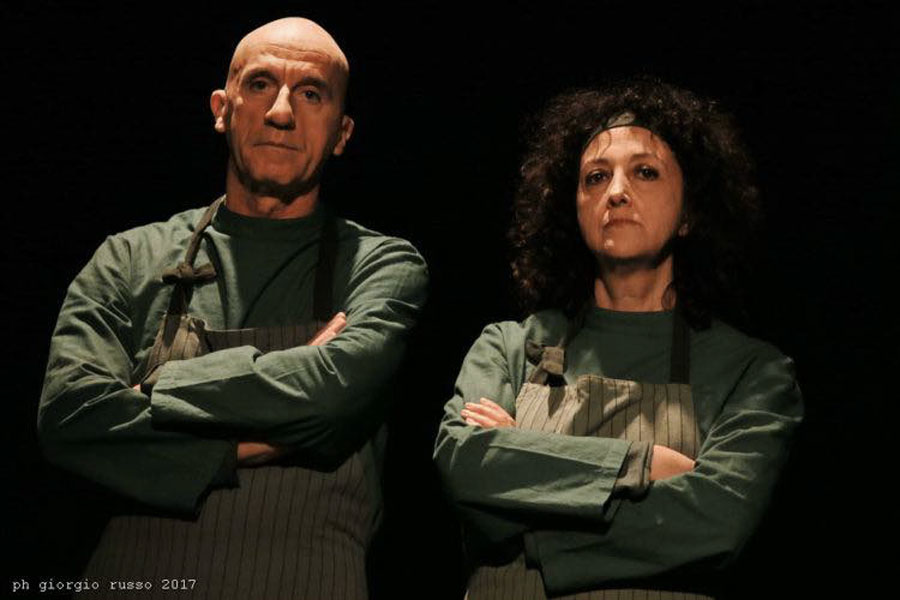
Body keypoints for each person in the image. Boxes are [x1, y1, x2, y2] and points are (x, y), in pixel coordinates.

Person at [38, 17, 427, 599]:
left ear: (342, 132)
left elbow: (332, 393)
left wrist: (157, 388)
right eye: (261, 84)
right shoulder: (129, 258)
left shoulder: (379, 265)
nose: (281, 113)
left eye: (311, 94)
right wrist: (251, 441)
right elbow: (70, 416)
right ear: (223, 109)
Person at [434, 78, 802, 599]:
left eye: (645, 172)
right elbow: (466, 465)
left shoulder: (751, 372)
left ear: (690, 214)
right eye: (596, 177)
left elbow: (714, 524)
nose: (616, 192)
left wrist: (528, 522)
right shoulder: (510, 346)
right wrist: (640, 464)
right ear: (574, 207)